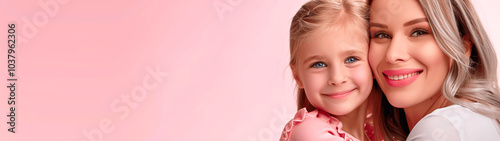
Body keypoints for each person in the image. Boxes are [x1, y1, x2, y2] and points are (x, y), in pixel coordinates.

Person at [369, 0, 500, 140]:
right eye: (381, 35)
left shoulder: (438, 129)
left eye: (418, 32)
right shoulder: (479, 117)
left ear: (463, 46)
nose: (392, 55)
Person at [279, 0, 379, 140]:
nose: (337, 78)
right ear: (297, 76)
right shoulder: (309, 133)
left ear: (373, 62)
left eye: (351, 59)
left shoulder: (378, 133)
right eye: (319, 64)